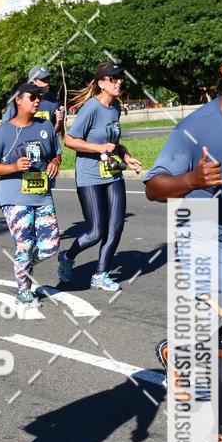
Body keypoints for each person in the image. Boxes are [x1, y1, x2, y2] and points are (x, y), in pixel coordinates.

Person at [145, 41, 222, 442]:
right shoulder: (195, 128)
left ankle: (180, 355)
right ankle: (218, 428)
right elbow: (153, 187)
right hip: (202, 235)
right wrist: (193, 180)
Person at [57, 62, 143, 292]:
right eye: (113, 78)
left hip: (112, 174)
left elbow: (113, 143)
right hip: (89, 177)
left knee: (115, 228)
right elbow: (69, 140)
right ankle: (67, 256)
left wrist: (126, 157)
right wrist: (98, 148)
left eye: (119, 77)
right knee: (97, 231)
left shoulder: (115, 107)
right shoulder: (91, 108)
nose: (118, 82)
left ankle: (100, 274)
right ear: (101, 83)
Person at [0, 82, 61, 304]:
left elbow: (56, 153)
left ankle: (22, 263)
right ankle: (23, 288)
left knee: (50, 246)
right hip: (14, 196)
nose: (37, 100)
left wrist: (55, 161)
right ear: (18, 100)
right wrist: (14, 167)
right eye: (32, 97)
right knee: (25, 244)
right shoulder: (5, 130)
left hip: (42, 193)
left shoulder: (46, 126)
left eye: (39, 97)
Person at [3, 66, 65, 136]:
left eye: (48, 78)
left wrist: (59, 122)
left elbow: (53, 133)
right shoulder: (22, 99)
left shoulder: (53, 101)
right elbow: (5, 125)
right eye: (43, 79)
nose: (47, 82)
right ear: (33, 81)